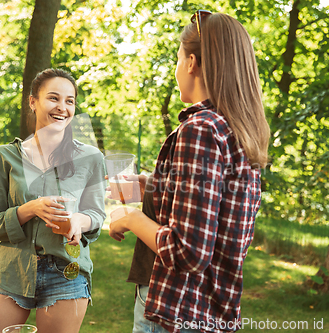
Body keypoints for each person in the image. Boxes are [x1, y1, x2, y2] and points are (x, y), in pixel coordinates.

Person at [108, 11, 270, 333]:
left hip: (176, 312)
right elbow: (213, 207)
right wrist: (152, 185)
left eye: (178, 59)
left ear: (191, 62)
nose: (177, 68)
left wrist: (129, 216)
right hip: (210, 313)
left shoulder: (200, 130)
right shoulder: (233, 128)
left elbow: (189, 251)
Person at [0, 68, 106, 333]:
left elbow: (96, 214)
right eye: (53, 98)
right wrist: (29, 208)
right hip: (12, 270)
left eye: (69, 101)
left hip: (66, 272)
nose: (62, 107)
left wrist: (76, 222)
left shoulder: (91, 158)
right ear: (33, 102)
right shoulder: (5, 157)